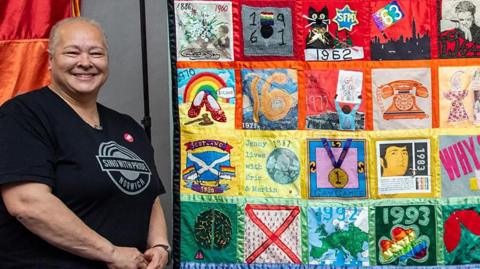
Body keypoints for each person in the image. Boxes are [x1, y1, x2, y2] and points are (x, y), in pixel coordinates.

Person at [0, 17, 170, 268]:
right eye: (72, 52)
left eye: (96, 53)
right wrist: (110, 253)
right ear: (50, 61)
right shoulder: (23, 115)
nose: (85, 62)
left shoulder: (128, 126)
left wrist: (159, 244)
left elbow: (150, 194)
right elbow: (27, 204)